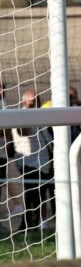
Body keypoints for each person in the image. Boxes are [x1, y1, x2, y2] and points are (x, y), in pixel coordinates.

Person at [12, 90, 54, 230]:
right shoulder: (20, 115)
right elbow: (21, 131)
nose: (36, 103)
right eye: (33, 101)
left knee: (42, 193)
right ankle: (28, 224)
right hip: (28, 162)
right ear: (24, 102)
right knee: (31, 194)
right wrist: (30, 110)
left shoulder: (42, 114)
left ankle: (41, 222)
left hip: (44, 161)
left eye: (38, 100)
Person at [0, 81, 22, 218]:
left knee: (2, 178)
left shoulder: (3, 105)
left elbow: (6, 131)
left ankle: (18, 204)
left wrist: (8, 142)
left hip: (0, 150)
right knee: (3, 179)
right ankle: (17, 204)